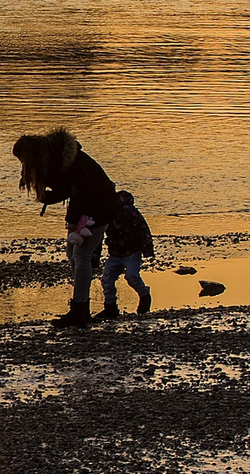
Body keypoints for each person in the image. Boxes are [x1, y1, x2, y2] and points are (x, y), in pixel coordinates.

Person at [12, 128, 121, 328]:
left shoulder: (62, 161)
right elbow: (69, 189)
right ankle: (81, 306)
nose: (23, 165)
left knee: (81, 255)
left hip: (100, 207)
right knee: (73, 254)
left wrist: (73, 220)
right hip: (93, 206)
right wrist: (48, 198)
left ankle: (80, 309)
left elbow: (84, 189)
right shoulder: (56, 160)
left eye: (22, 159)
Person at [97, 190, 154, 319]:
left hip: (132, 252)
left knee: (132, 276)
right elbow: (99, 233)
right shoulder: (108, 214)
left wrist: (147, 249)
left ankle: (144, 295)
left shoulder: (132, 214)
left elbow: (144, 229)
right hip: (115, 253)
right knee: (107, 280)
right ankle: (110, 307)